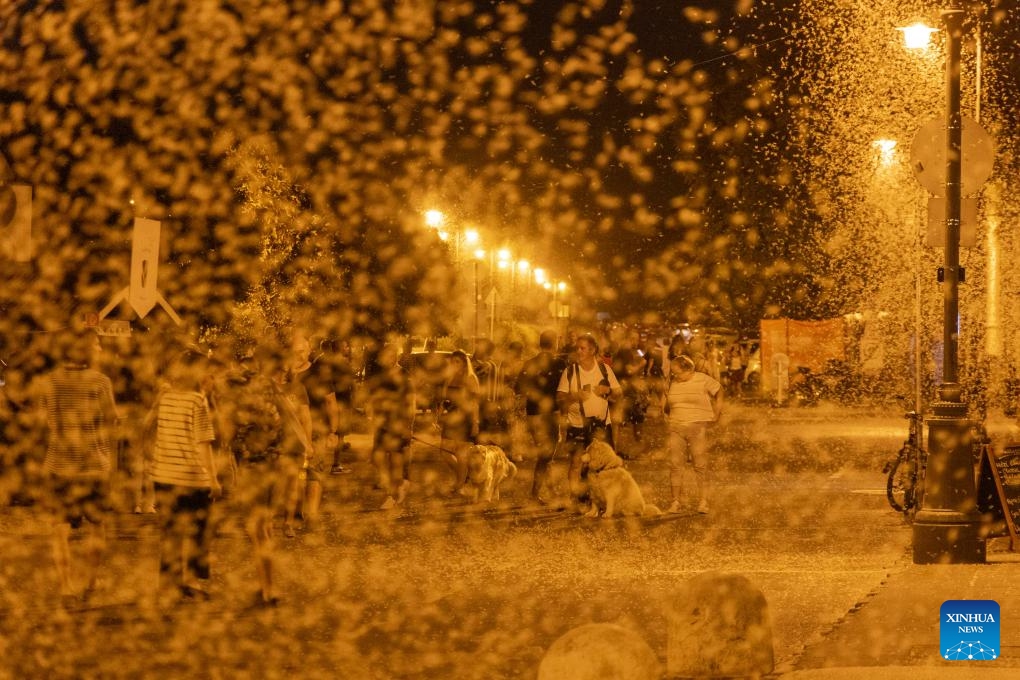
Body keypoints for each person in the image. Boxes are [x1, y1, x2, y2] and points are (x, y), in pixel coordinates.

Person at [39, 328, 120, 603]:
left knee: (59, 528)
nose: (99, 348)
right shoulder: (100, 381)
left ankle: (66, 587)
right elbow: (112, 422)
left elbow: (48, 423)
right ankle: (91, 582)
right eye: (96, 344)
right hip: (93, 467)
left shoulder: (50, 381)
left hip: (59, 465)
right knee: (97, 527)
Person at [142, 348, 221, 602]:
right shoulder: (197, 401)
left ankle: (168, 585)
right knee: (199, 531)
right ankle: (190, 581)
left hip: (163, 476)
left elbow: (147, 429)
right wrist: (213, 478)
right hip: (192, 478)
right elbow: (204, 443)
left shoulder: (165, 398)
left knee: (171, 533)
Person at [556, 333, 622, 512]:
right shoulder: (570, 371)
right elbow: (559, 398)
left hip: (600, 425)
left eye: (582, 348)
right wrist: (574, 396)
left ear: (593, 350)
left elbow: (618, 393)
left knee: (603, 464)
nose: (578, 351)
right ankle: (575, 498)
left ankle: (602, 500)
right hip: (577, 424)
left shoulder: (604, 370)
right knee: (577, 463)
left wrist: (607, 390)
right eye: (577, 348)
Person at [662, 354, 723, 515]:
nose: (675, 376)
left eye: (678, 372)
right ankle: (675, 501)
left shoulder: (702, 379)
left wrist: (717, 412)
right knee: (675, 466)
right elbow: (668, 406)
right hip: (676, 428)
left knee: (700, 465)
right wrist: (666, 410)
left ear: (688, 369)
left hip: (697, 427)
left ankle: (703, 501)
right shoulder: (672, 382)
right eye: (673, 373)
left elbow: (719, 390)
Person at [517, 330, 567, 504]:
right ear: (555, 343)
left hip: (533, 414)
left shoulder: (529, 363)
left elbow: (519, 388)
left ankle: (546, 490)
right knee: (546, 455)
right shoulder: (560, 364)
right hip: (550, 414)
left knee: (545, 455)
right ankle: (536, 493)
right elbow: (565, 389)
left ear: (540, 344)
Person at [369, 344, 416, 510]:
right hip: (383, 424)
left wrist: (408, 427)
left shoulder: (404, 375)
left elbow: (411, 403)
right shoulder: (381, 376)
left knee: (395, 462)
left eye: (390, 356)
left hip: (398, 424)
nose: (386, 359)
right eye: (384, 356)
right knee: (379, 459)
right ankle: (400, 485)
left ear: (395, 357)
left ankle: (393, 495)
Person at [437, 349, 480, 495]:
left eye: (457, 362)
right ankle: (463, 477)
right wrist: (439, 416)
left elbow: (475, 403)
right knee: (444, 452)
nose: (454, 364)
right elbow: (444, 399)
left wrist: (475, 422)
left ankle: (459, 484)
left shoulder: (470, 378)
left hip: (465, 419)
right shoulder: (449, 377)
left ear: (464, 363)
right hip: (450, 418)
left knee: (462, 455)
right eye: (452, 361)